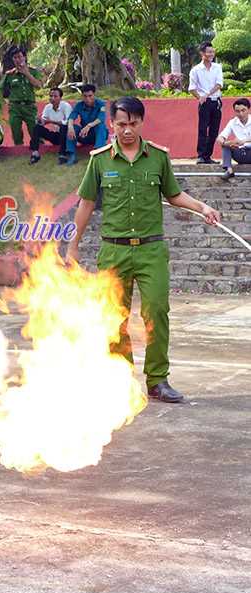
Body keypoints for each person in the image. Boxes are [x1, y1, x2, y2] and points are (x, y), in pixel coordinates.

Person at [69, 96, 221, 403]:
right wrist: (73, 245)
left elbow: (174, 194)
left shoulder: (158, 158)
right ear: (112, 124)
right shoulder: (100, 160)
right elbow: (86, 204)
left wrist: (202, 207)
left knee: (157, 311)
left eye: (133, 124)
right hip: (114, 251)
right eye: (121, 124)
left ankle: (157, 379)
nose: (127, 130)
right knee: (113, 316)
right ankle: (120, 380)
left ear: (141, 122)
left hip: (151, 250)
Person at [1, 48, 43, 163]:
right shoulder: (9, 75)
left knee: (34, 129)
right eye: (15, 57)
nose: (18, 59)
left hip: (29, 106)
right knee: (15, 128)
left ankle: (39, 149)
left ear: (25, 57)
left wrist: (26, 73)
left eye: (20, 56)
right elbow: (0, 89)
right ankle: (19, 151)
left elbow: (38, 85)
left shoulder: (33, 71)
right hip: (15, 107)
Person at [189, 42, 224, 164]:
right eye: (209, 52)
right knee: (203, 130)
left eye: (213, 52)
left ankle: (207, 156)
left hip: (216, 101)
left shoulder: (217, 67)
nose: (211, 54)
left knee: (214, 131)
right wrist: (200, 97)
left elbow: (219, 84)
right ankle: (201, 156)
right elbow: (191, 88)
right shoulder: (196, 70)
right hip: (204, 103)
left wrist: (207, 94)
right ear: (202, 53)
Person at [65, 84, 108, 165]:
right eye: (85, 96)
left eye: (90, 96)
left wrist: (89, 126)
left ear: (94, 94)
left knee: (100, 126)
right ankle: (71, 154)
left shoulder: (101, 104)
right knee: (73, 127)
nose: (87, 99)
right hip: (84, 134)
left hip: (97, 134)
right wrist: (70, 127)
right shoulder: (79, 105)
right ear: (82, 96)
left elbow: (101, 118)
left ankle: (98, 152)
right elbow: (72, 116)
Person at [31, 87, 72, 164]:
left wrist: (50, 121)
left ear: (60, 98)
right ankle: (35, 153)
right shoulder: (48, 107)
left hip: (66, 136)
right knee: (37, 127)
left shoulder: (66, 106)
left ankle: (62, 154)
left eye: (55, 96)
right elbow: (43, 121)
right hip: (55, 135)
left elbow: (67, 122)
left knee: (63, 127)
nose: (52, 98)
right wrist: (39, 120)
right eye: (51, 96)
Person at [218, 97, 251, 180]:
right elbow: (220, 137)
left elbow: (242, 141)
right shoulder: (232, 122)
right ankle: (229, 171)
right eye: (237, 111)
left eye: (243, 110)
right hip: (240, 153)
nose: (241, 114)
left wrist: (243, 141)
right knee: (226, 146)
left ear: (248, 109)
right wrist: (227, 143)